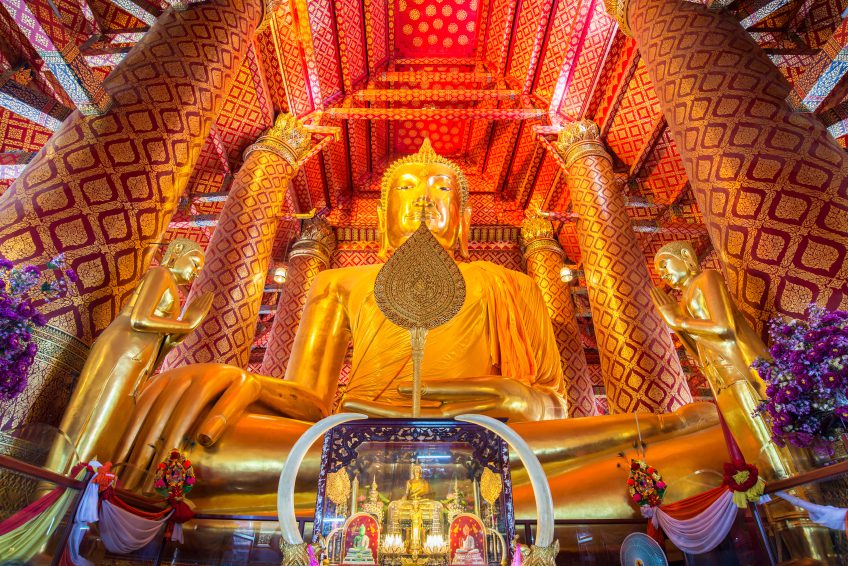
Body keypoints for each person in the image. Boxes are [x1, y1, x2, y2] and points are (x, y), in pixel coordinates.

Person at [45, 239, 212, 474]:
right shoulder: (160, 275)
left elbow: (160, 344)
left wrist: (178, 335)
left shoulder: (172, 287)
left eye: (198, 269)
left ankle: (89, 482)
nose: (195, 272)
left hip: (138, 361)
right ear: (176, 252)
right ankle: (61, 481)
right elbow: (139, 319)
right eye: (194, 263)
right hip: (122, 351)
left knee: (112, 423)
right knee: (94, 418)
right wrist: (184, 324)